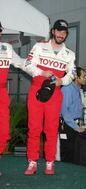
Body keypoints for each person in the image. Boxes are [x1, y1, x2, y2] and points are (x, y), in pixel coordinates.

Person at [24, 19, 76, 175]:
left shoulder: (69, 54)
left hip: (55, 94)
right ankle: (32, 162)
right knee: (34, 128)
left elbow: (72, 73)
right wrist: (41, 72)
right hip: (36, 90)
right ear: (53, 31)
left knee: (51, 130)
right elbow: (27, 65)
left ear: (66, 34)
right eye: (58, 31)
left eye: (64, 32)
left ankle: (50, 162)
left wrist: (63, 80)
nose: (61, 34)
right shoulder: (39, 46)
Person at [0, 22, 48, 176]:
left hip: (1, 94)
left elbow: (21, 63)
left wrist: (40, 72)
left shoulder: (6, 48)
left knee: (3, 131)